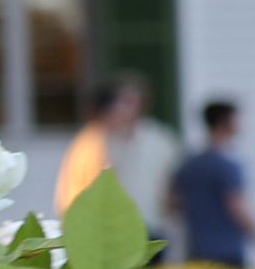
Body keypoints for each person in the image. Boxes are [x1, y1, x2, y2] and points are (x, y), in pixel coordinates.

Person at [167, 97, 255, 269]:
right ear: (224, 122)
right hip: (226, 250)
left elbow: (172, 203)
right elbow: (237, 207)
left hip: (196, 247)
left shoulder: (190, 163)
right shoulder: (226, 165)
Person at [55, 73, 171, 217]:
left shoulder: (158, 139)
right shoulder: (90, 143)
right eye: (125, 102)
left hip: (149, 222)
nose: (130, 109)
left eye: (136, 102)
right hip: (107, 228)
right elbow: (75, 191)